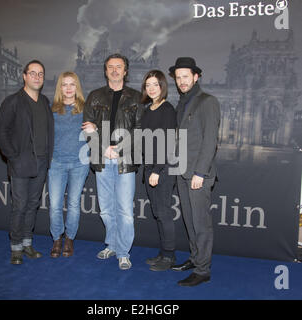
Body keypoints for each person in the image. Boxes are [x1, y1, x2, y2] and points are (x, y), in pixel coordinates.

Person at [82, 53, 143, 270]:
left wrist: (120, 148)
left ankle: (124, 252)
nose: (115, 70)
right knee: (106, 209)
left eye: (119, 67)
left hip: (125, 161)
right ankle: (112, 244)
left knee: (125, 210)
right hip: (101, 160)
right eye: (111, 67)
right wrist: (103, 148)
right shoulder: (95, 96)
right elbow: (88, 127)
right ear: (105, 71)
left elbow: (140, 130)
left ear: (125, 71)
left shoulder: (137, 97)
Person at [0, 60, 54, 265]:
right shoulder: (12, 101)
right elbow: (1, 132)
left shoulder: (45, 101)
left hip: (41, 162)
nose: (37, 77)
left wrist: (47, 158)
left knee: (32, 205)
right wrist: (13, 156)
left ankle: (28, 243)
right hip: (21, 163)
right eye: (33, 73)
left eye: (41, 74)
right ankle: (16, 248)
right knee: (19, 206)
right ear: (24, 76)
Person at [169, 57, 220, 286]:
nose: (181, 81)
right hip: (182, 172)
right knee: (189, 222)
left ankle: (203, 270)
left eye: (185, 77)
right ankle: (194, 258)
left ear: (196, 76)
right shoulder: (183, 102)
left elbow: (210, 140)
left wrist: (200, 172)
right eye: (178, 78)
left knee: (201, 223)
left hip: (198, 174)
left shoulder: (207, 101)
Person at [48, 71, 89, 258]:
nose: (68, 88)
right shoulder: (52, 110)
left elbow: (95, 135)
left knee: (73, 204)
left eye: (72, 84)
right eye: (64, 84)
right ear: (60, 87)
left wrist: (94, 129)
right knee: (55, 204)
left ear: (77, 87)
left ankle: (70, 238)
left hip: (79, 164)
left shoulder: (86, 109)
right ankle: (57, 238)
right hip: (56, 164)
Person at [140, 70, 177, 271]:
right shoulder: (148, 109)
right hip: (150, 168)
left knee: (164, 213)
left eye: (155, 84)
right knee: (157, 212)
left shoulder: (168, 110)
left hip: (162, 169)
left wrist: (157, 170)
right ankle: (163, 253)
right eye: (148, 85)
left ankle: (170, 256)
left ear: (163, 86)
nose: (152, 88)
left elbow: (168, 143)